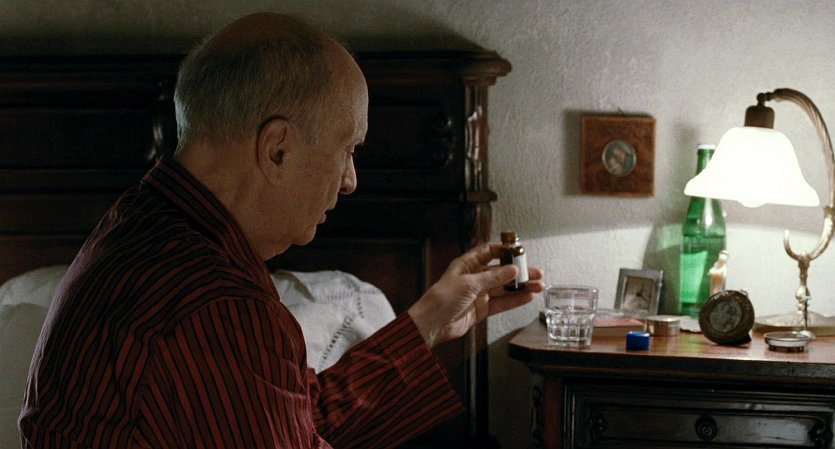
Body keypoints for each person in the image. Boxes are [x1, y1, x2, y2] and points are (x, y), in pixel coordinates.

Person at [19, 12, 543, 449]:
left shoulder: (139, 227)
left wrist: (428, 321)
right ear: (277, 150)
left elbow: (293, 416)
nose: (351, 181)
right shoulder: (218, 303)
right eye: (347, 150)